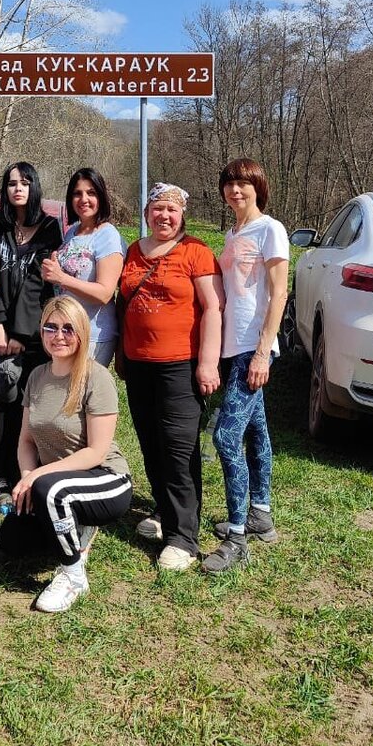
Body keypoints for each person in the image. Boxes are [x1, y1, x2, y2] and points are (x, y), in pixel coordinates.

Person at [0, 296, 133, 613]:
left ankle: (73, 575)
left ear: (82, 332)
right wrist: (27, 478)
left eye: (68, 328)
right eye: (51, 327)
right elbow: (26, 441)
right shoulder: (37, 376)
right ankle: (75, 526)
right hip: (57, 482)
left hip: (106, 478)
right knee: (11, 540)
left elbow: (96, 452)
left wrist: (38, 477)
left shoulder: (96, 377)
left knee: (50, 491)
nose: (59, 336)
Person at [118, 182, 223, 571]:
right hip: (138, 365)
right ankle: (164, 511)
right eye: (157, 208)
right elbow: (122, 304)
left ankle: (183, 538)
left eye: (171, 210)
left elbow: (213, 308)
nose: (164, 215)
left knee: (178, 450)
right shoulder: (134, 250)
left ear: (182, 215)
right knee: (151, 444)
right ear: (147, 213)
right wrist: (121, 353)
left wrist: (207, 363)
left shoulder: (196, 251)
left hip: (180, 365)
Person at [201, 159, 289, 574]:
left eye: (243, 183)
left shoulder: (270, 229)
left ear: (259, 187)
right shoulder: (232, 233)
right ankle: (260, 514)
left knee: (225, 437)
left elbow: (279, 292)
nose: (235, 190)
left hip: (254, 347)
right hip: (232, 345)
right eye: (230, 183)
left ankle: (236, 538)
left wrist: (262, 352)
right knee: (257, 432)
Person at [0, 161, 63, 513]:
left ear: (34, 187)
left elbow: (37, 283)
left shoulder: (49, 227)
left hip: (35, 332)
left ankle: (23, 475)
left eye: (25, 182)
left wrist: (19, 331)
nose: (18, 188)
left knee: (27, 404)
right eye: (12, 182)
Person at [41, 168, 125, 366]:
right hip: (66, 331)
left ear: (101, 197)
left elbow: (104, 293)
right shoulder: (71, 232)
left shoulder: (107, 235)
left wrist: (61, 278)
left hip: (92, 334)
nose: (83, 199)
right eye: (77, 194)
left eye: (91, 193)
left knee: (83, 386)